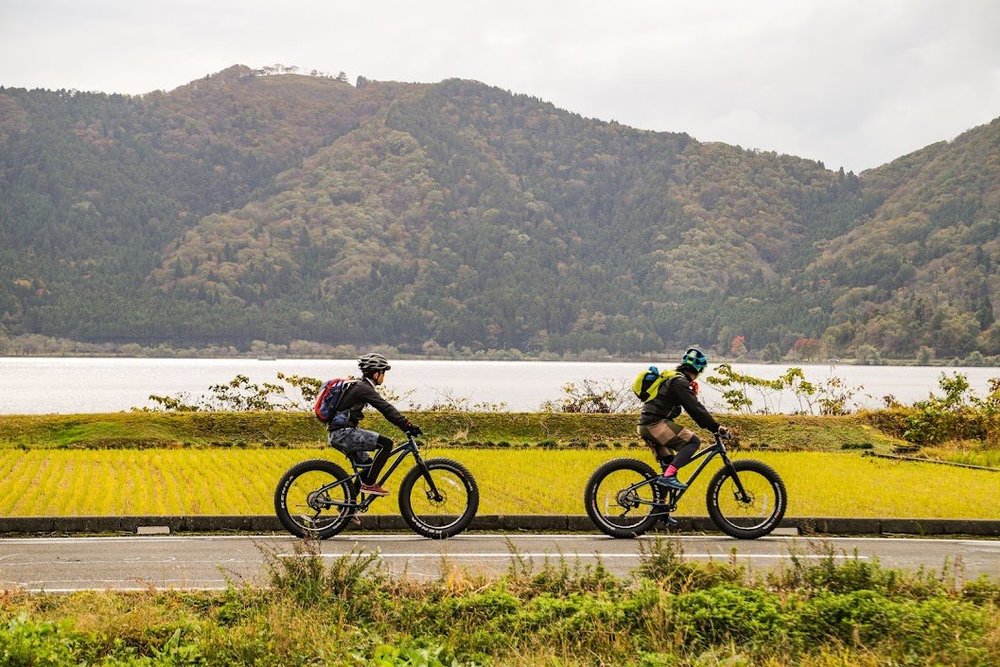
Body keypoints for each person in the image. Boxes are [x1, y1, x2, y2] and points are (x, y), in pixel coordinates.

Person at [326, 352, 422, 496]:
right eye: (383, 372)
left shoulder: (359, 386)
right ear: (376, 373)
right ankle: (370, 485)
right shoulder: (364, 388)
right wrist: (407, 425)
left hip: (340, 433)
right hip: (343, 434)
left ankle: (347, 513)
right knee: (386, 444)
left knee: (367, 469)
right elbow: (386, 408)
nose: (384, 376)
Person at [636, 347, 728, 491]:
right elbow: (695, 409)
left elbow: (686, 406)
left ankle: (661, 511)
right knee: (693, 442)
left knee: (669, 466)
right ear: (699, 370)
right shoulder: (680, 382)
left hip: (647, 425)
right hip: (654, 425)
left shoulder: (673, 378)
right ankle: (668, 477)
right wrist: (715, 427)